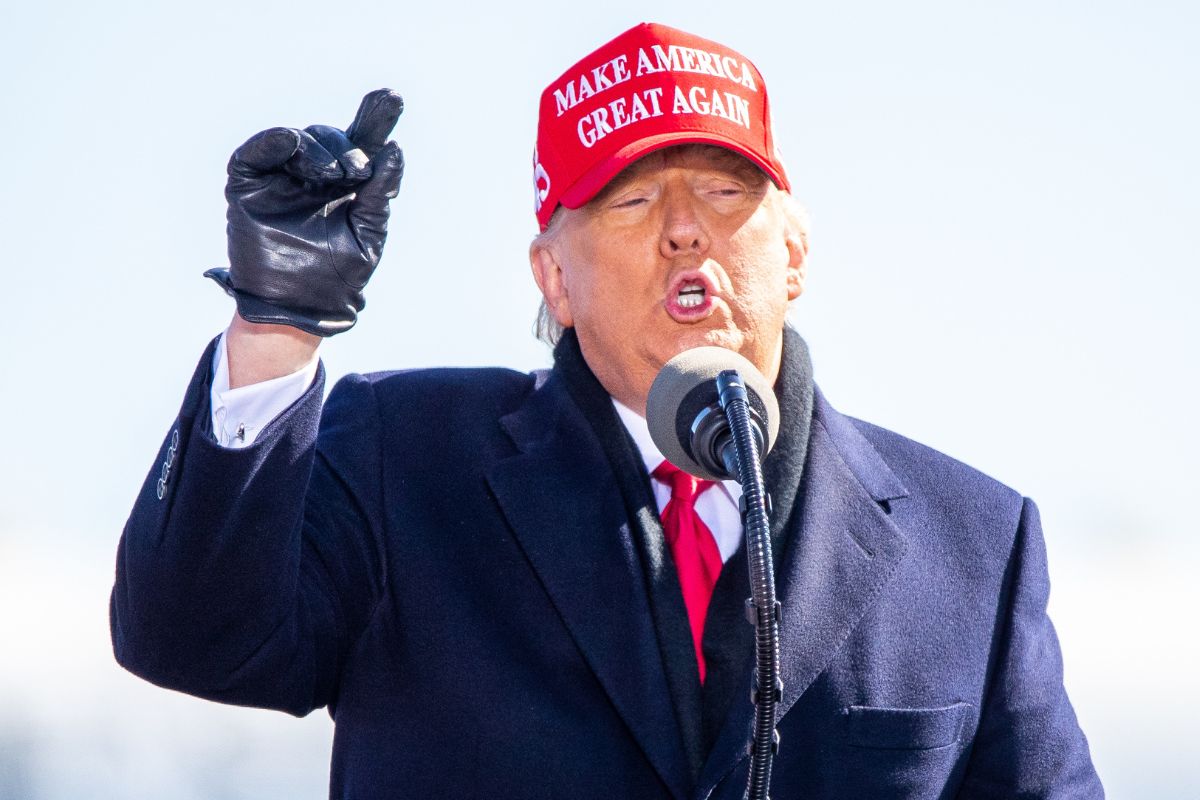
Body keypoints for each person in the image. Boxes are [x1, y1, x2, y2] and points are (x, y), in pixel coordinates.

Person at [111, 22, 1104, 799]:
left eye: (724, 190)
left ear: (794, 254)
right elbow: (192, 635)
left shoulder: (975, 544)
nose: (682, 230)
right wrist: (278, 324)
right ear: (554, 277)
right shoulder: (401, 462)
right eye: (629, 202)